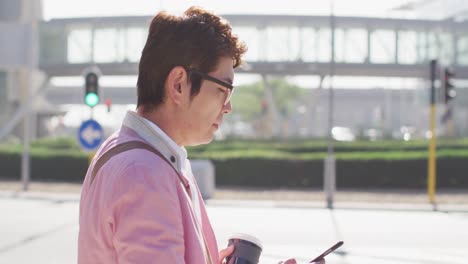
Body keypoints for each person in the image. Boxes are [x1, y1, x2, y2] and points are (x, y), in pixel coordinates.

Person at [78, 6, 325, 264]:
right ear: (178, 84)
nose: (228, 107)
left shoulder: (125, 149)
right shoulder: (145, 173)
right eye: (224, 89)